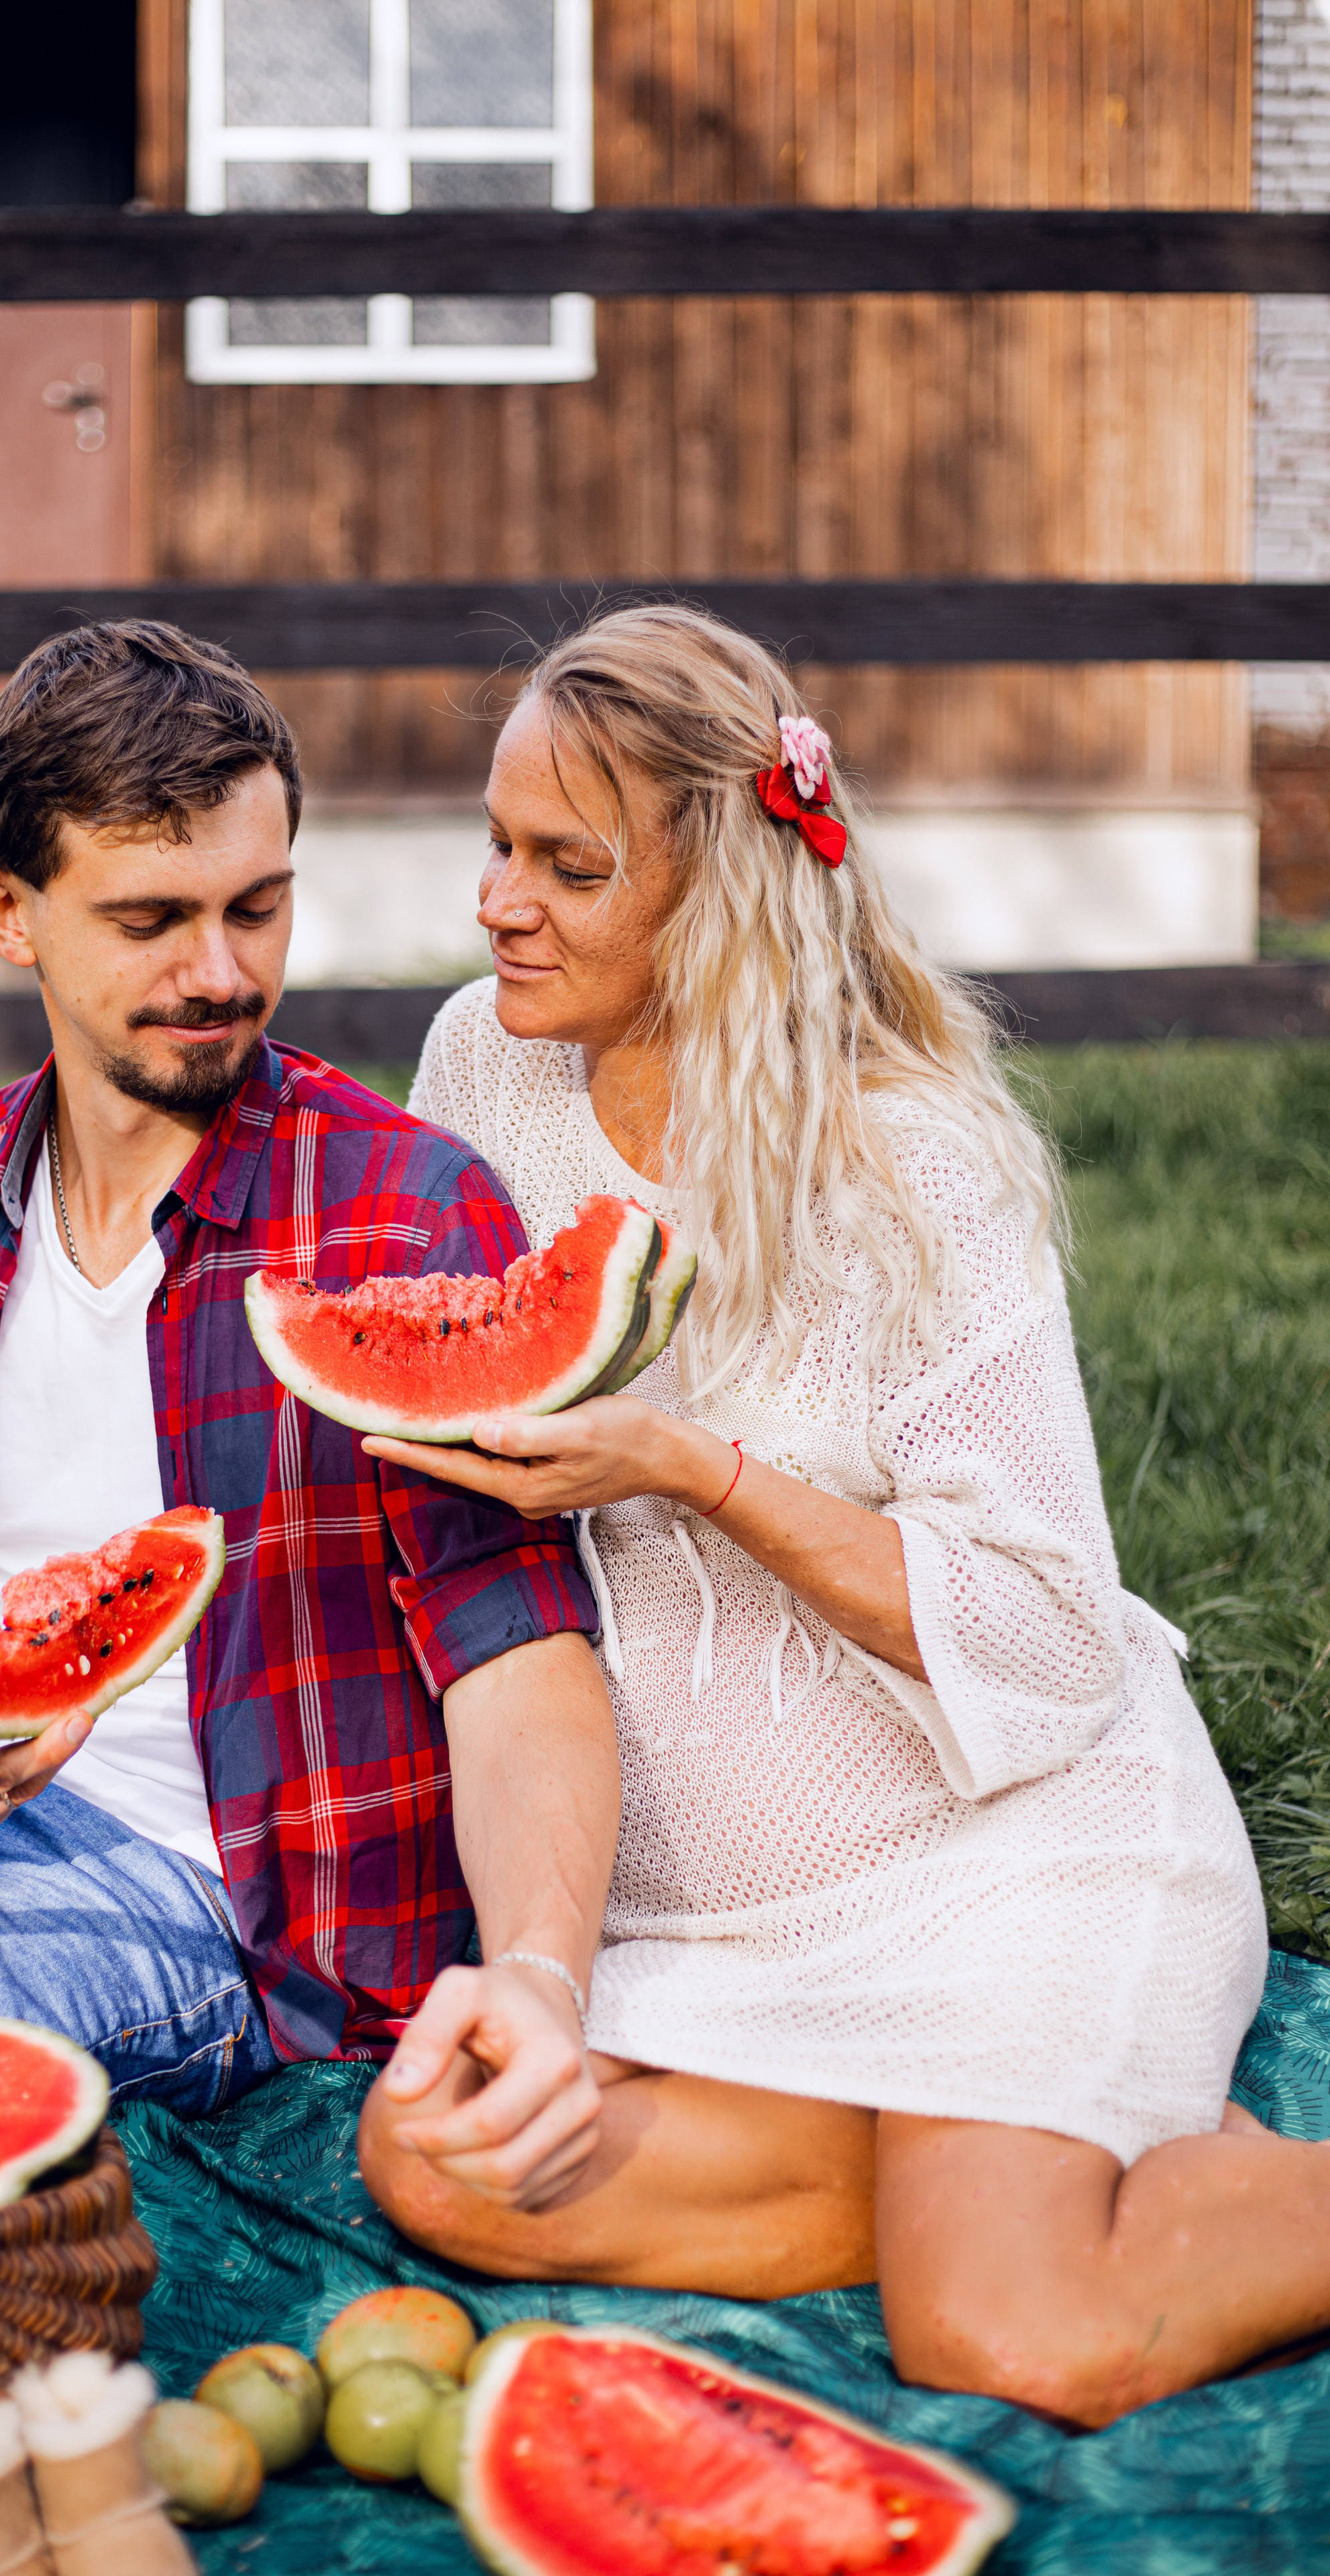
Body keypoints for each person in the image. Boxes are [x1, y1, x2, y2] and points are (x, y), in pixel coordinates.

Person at [354, 602, 1322, 2432]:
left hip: (1010, 1850)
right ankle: (1079, 2152)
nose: (499, 904)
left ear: (718, 885)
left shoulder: (911, 1164)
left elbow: (1041, 1637)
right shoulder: (485, 1066)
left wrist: (692, 1466)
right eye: (498, 844)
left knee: (1018, 2337)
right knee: (437, 2163)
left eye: (568, 865)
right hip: (703, 1944)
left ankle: (1053, 2165)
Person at [0, 620, 619, 2135]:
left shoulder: (403, 1215)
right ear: (5, 913)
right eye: (151, 919)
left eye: (257, 909)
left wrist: (540, 1971)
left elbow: (517, 1653)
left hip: (215, 1905)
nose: (219, 974)